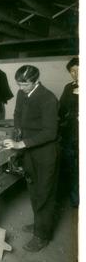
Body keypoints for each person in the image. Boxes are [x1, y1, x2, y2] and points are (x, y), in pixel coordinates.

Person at [3, 65, 59, 252]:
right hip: (29, 151)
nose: (20, 88)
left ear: (36, 80)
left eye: (24, 84)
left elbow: (50, 133)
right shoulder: (22, 93)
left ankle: (42, 236)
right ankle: (38, 224)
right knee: (33, 188)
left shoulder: (48, 98)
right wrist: (17, 131)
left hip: (45, 153)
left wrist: (21, 144)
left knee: (44, 193)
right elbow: (17, 113)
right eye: (18, 84)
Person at [58, 57, 79, 208]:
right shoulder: (68, 88)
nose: (76, 73)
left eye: (79, 69)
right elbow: (61, 109)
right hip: (70, 134)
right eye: (72, 71)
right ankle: (75, 200)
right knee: (71, 167)